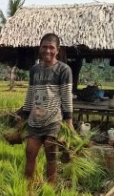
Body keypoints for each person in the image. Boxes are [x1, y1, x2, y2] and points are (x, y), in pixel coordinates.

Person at [16, 33, 73, 184]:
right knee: (30, 153)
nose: (48, 51)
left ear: (57, 50)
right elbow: (30, 94)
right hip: (35, 121)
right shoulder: (35, 70)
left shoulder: (63, 70)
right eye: (44, 47)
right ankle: (27, 189)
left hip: (53, 121)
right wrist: (23, 118)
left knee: (51, 156)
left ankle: (49, 191)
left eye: (51, 48)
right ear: (40, 49)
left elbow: (66, 97)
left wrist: (69, 122)